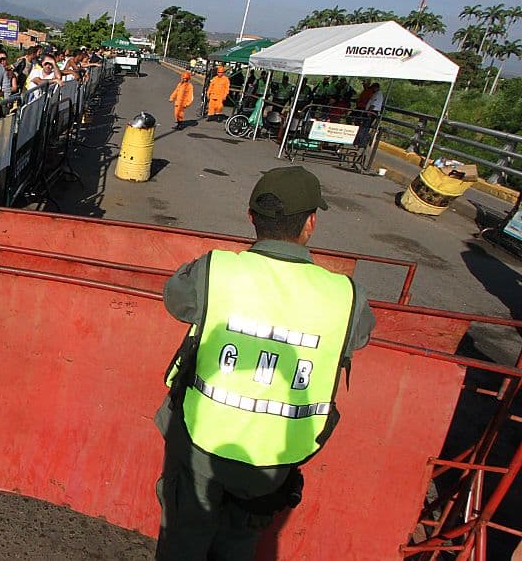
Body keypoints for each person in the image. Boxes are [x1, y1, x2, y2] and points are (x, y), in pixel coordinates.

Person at [155, 166, 375, 561]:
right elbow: (358, 336)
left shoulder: (215, 269)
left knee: (183, 540)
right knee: (240, 543)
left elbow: (176, 300)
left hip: (201, 438)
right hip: (278, 456)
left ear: (252, 217)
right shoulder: (346, 294)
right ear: (311, 223)